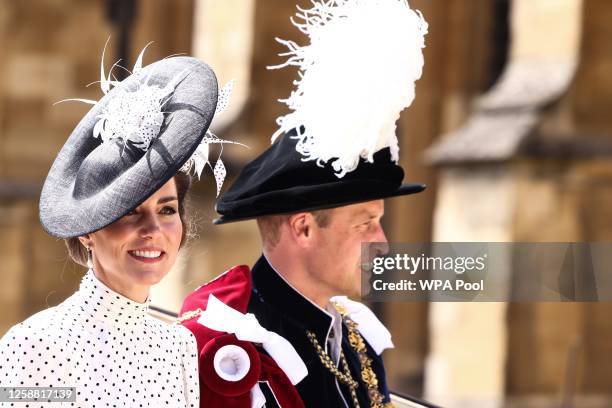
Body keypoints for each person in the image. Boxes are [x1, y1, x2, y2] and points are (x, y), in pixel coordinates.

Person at [180, 0, 435, 406]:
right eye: (364, 223)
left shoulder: (354, 339)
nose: (382, 242)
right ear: (303, 228)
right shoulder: (227, 347)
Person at [0, 44, 239, 407]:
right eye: (130, 212)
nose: (153, 230)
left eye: (168, 210)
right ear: (87, 230)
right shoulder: (37, 345)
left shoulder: (178, 346)